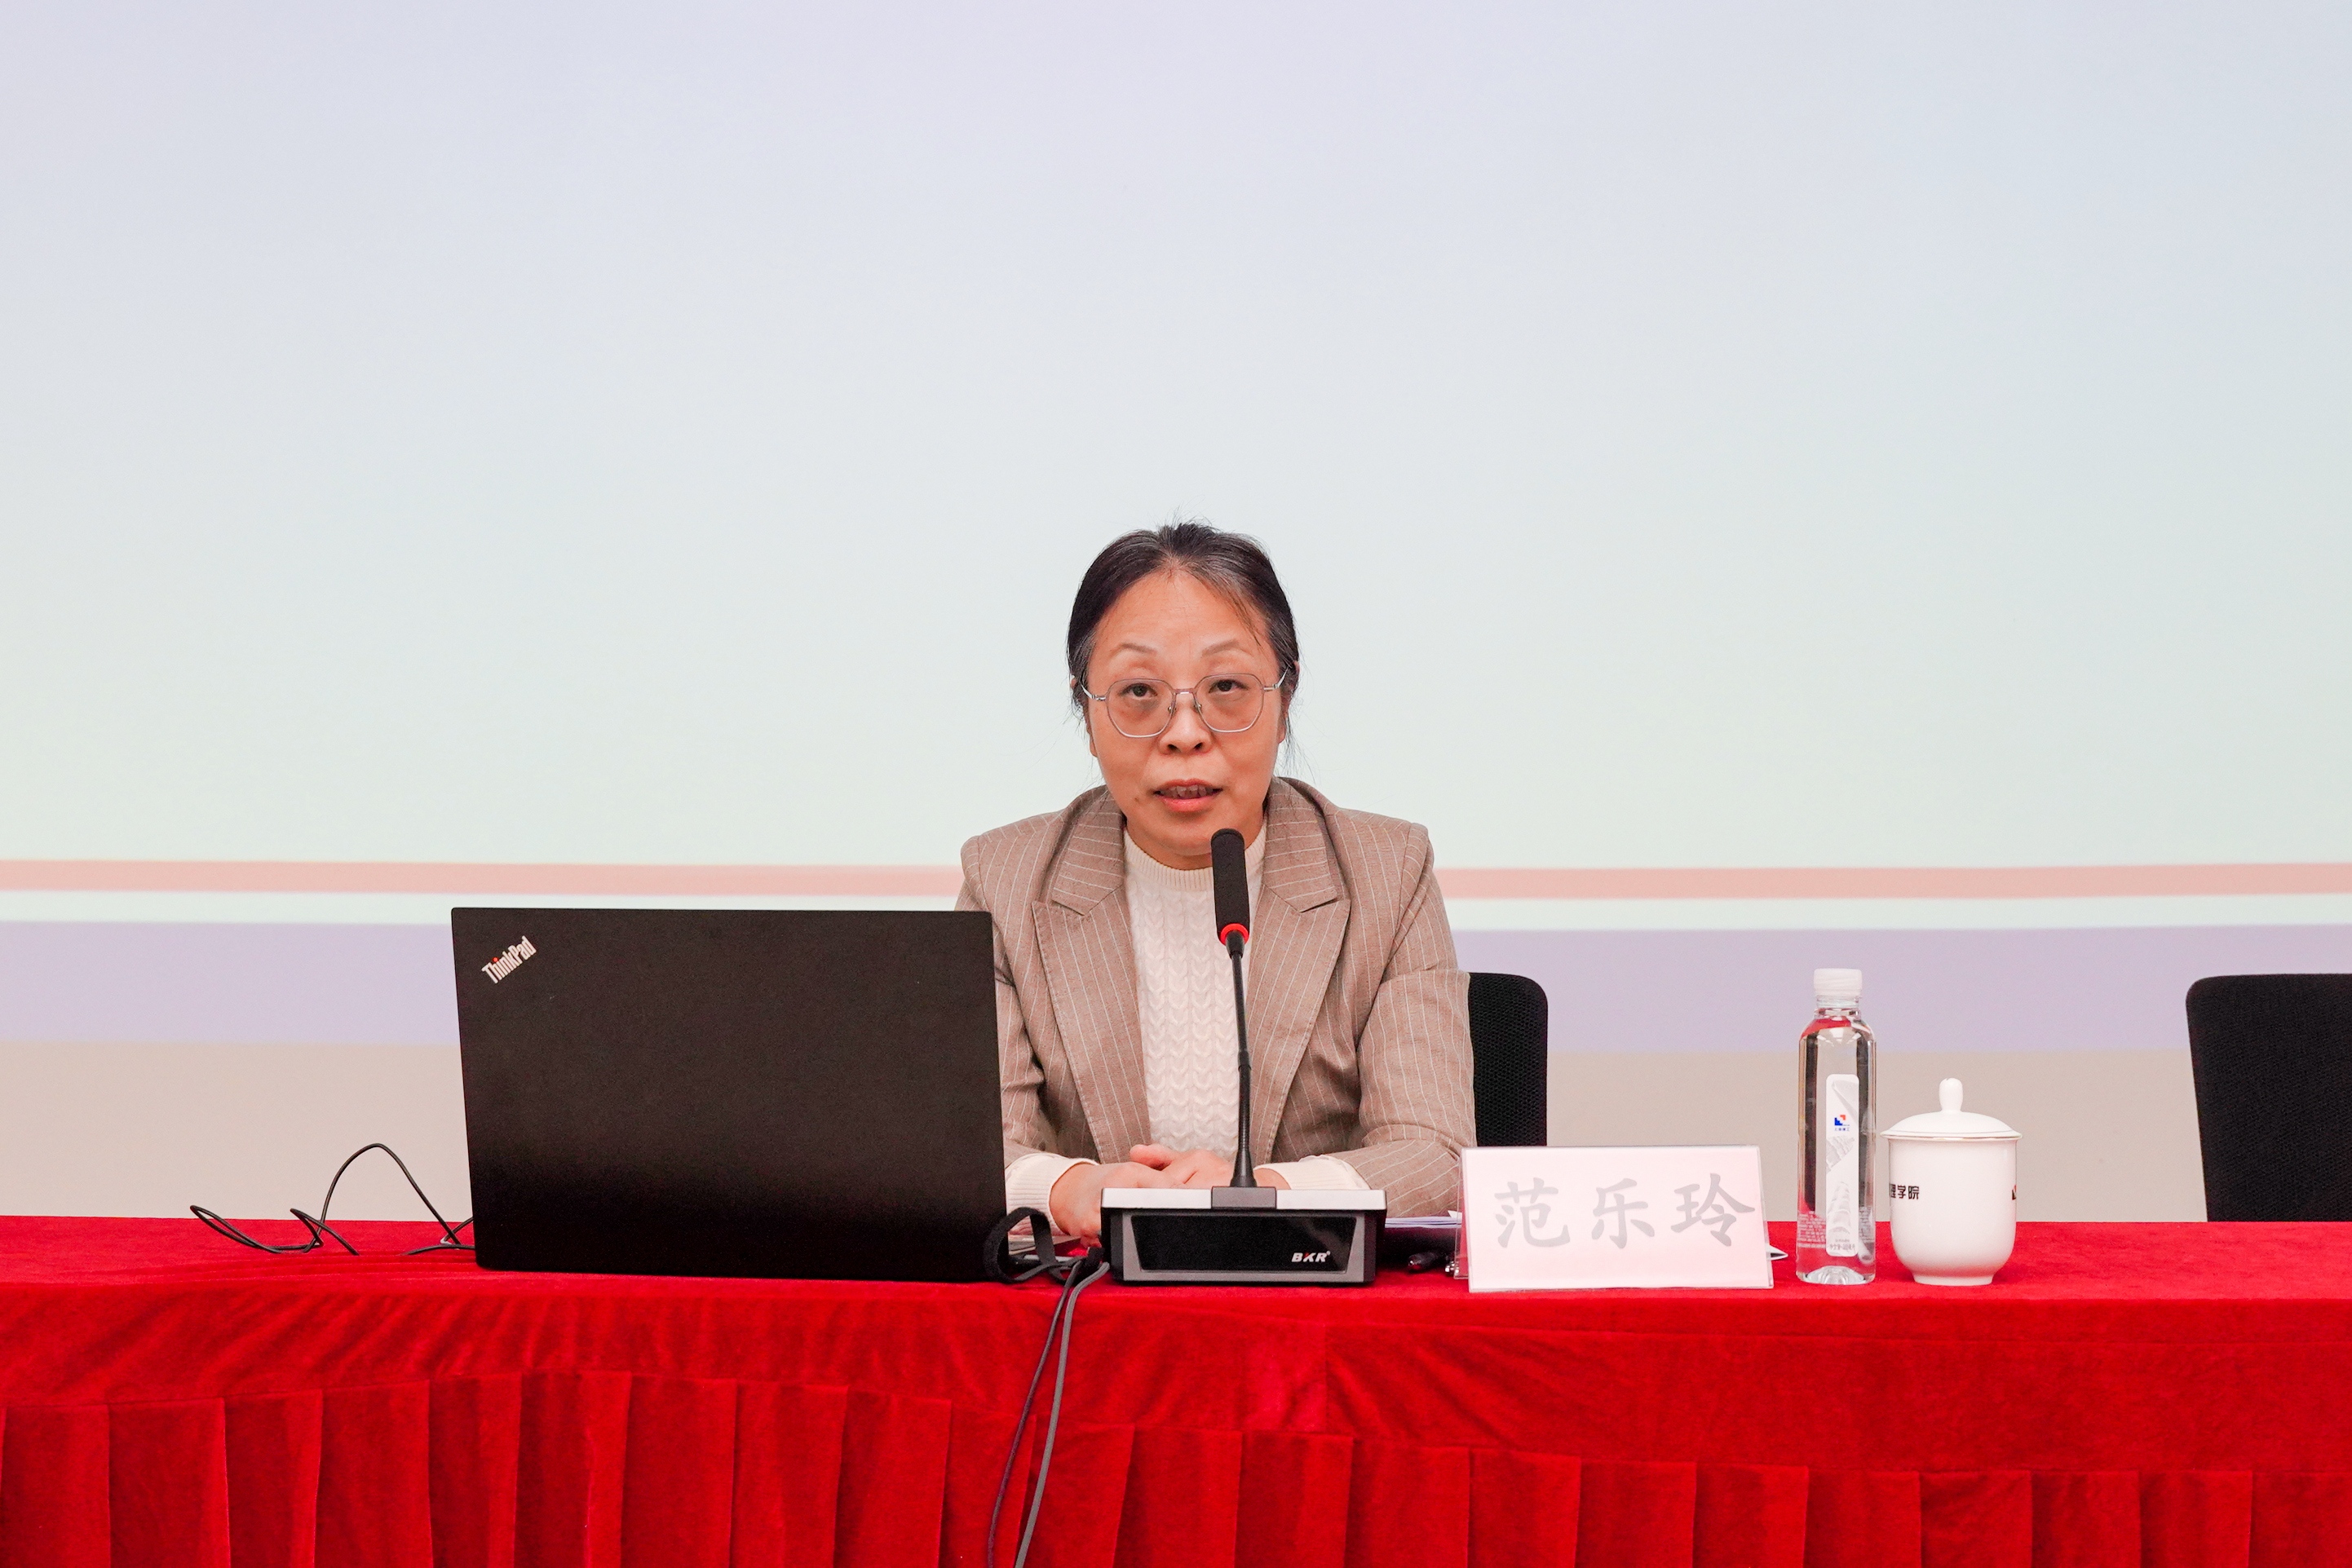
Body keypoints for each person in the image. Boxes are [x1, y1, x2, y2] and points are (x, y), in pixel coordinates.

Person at [956, 521, 1475, 1241]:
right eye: (1139, 691)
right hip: (1097, 1296)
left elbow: (1435, 1153)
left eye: (1226, 687)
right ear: (1087, 713)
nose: (1184, 732)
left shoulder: (1387, 875)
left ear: (1285, 700)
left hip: (1304, 1293)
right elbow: (971, 1154)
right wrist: (1071, 1187)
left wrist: (1263, 1193)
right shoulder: (1006, 882)